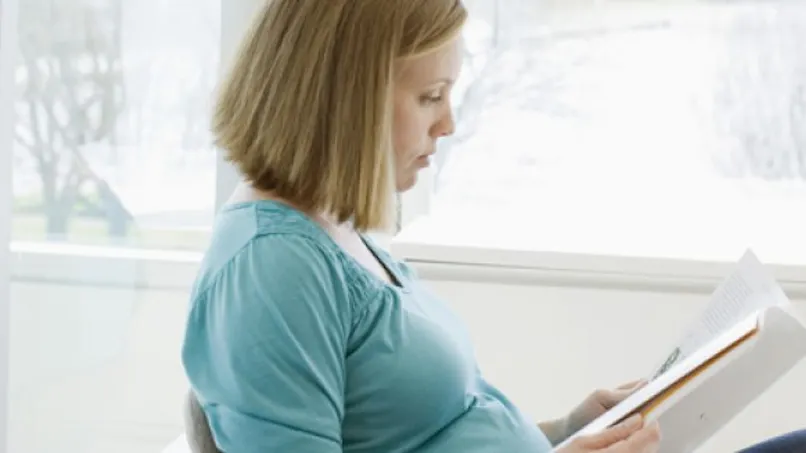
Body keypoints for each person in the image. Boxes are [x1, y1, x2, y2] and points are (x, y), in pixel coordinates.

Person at [180, 1, 803, 452]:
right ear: (347, 98)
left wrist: (569, 429)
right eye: (431, 97)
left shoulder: (337, 234)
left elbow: (437, 428)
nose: (448, 124)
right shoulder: (271, 268)